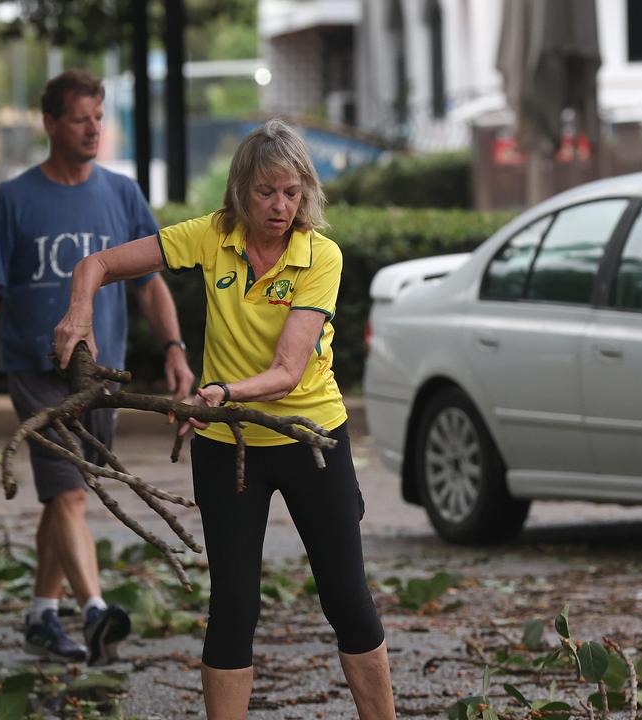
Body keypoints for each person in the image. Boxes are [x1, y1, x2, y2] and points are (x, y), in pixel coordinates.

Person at [52, 119, 396, 719]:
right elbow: (97, 265)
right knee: (234, 606)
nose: (280, 206)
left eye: (291, 192)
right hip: (227, 442)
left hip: (309, 434)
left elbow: (288, 370)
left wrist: (220, 391)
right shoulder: (215, 236)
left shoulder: (321, 256)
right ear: (242, 191)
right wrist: (79, 313)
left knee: (346, 599)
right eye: (267, 193)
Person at [0, 70, 195, 665]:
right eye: (80, 119)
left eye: (99, 118)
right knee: (71, 497)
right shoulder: (14, 200)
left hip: (101, 376)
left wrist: (175, 349)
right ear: (50, 123)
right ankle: (94, 611)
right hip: (37, 371)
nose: (92, 129)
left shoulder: (121, 193)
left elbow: (151, 286)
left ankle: (40, 614)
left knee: (69, 495)